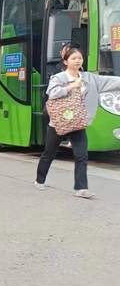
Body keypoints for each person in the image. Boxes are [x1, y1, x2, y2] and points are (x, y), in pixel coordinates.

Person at [35, 47, 120, 198]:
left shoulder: (90, 78)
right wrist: (71, 86)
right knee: (49, 153)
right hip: (59, 123)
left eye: (79, 58)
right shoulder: (59, 78)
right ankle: (40, 180)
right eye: (73, 58)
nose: (77, 60)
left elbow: (111, 82)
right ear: (66, 61)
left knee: (81, 155)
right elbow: (52, 93)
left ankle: (81, 188)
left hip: (78, 121)